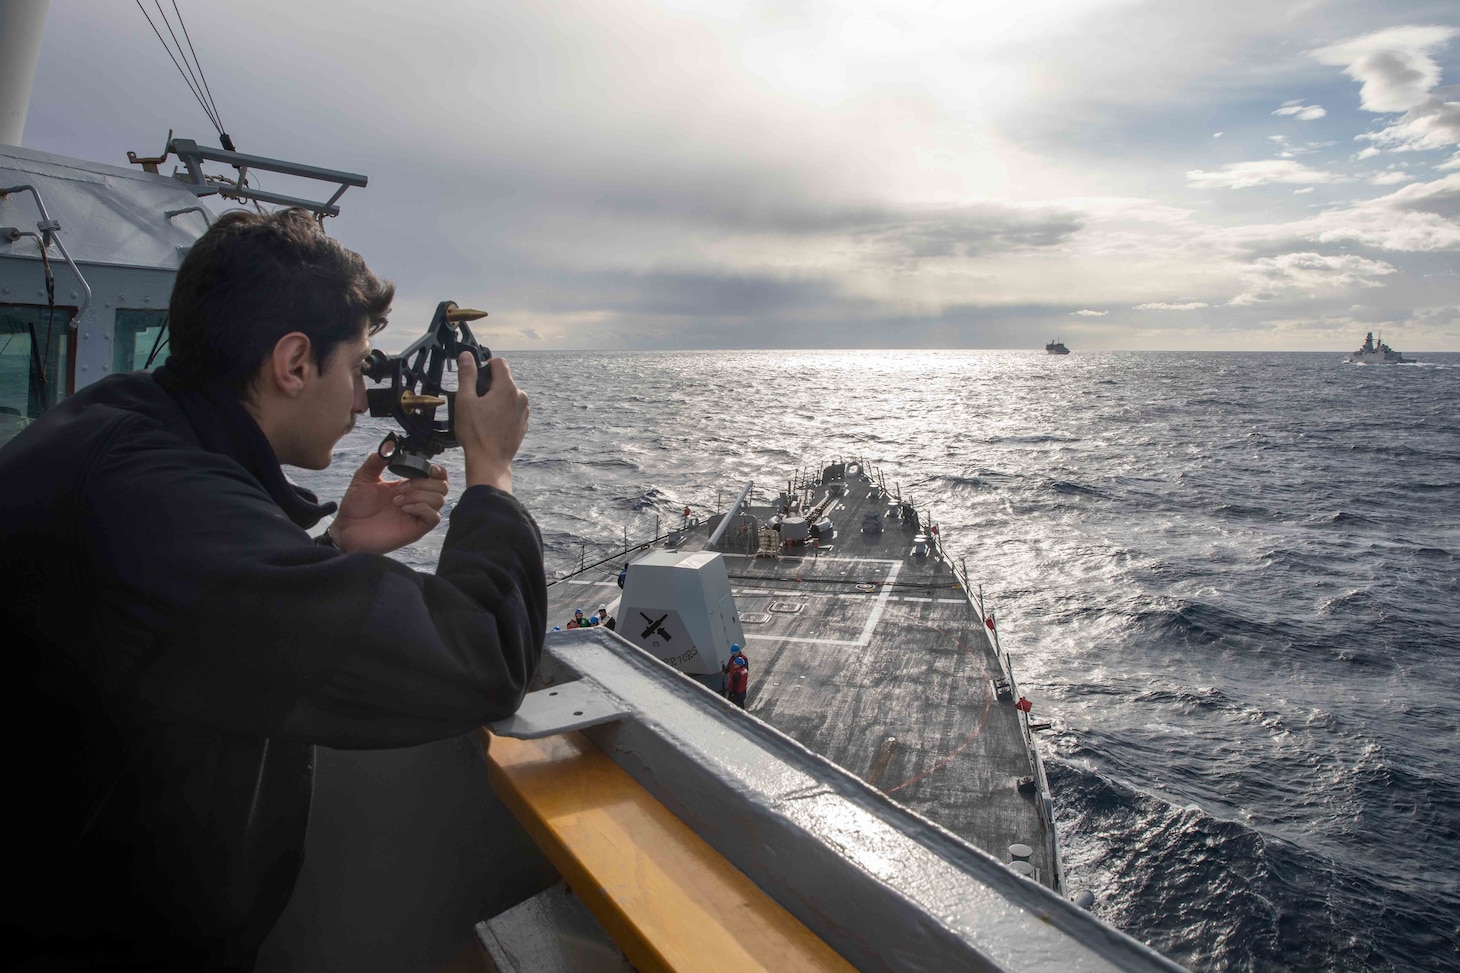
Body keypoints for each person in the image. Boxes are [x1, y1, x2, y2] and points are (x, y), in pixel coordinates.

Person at [0, 208, 543, 971]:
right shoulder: (158, 507)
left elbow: (190, 620)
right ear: (293, 363)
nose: (362, 400)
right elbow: (482, 656)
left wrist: (331, 548)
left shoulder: (128, 428)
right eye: (356, 367)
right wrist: (493, 469)